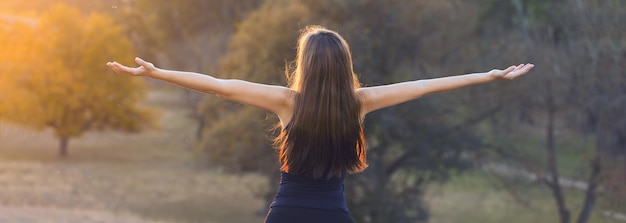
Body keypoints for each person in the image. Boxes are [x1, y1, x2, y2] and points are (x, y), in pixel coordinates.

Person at [107, 25, 534, 223]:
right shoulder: (360, 103)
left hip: (287, 215)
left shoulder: (286, 102)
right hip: (334, 216)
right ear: (345, 65)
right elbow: (424, 86)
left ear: (306, 65)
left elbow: (220, 85)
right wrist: (487, 75)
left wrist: (158, 73)